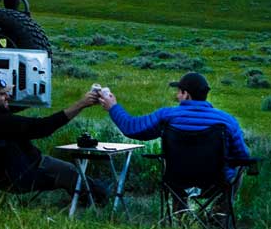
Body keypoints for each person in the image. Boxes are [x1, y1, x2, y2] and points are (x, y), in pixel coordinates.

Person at [0, 74, 105, 197]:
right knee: (71, 172)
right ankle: (104, 195)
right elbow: (44, 127)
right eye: (3, 94)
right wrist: (81, 104)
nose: (8, 96)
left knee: (68, 171)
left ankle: (93, 192)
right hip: (27, 174)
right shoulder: (4, 122)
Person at [97, 72, 252, 180]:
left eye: (179, 92)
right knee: (237, 170)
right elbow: (242, 156)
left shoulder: (167, 116)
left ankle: (178, 219)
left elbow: (131, 128)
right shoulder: (227, 120)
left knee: (177, 175)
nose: (177, 96)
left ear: (186, 94)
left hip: (177, 178)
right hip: (217, 180)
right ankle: (219, 214)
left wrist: (113, 107)